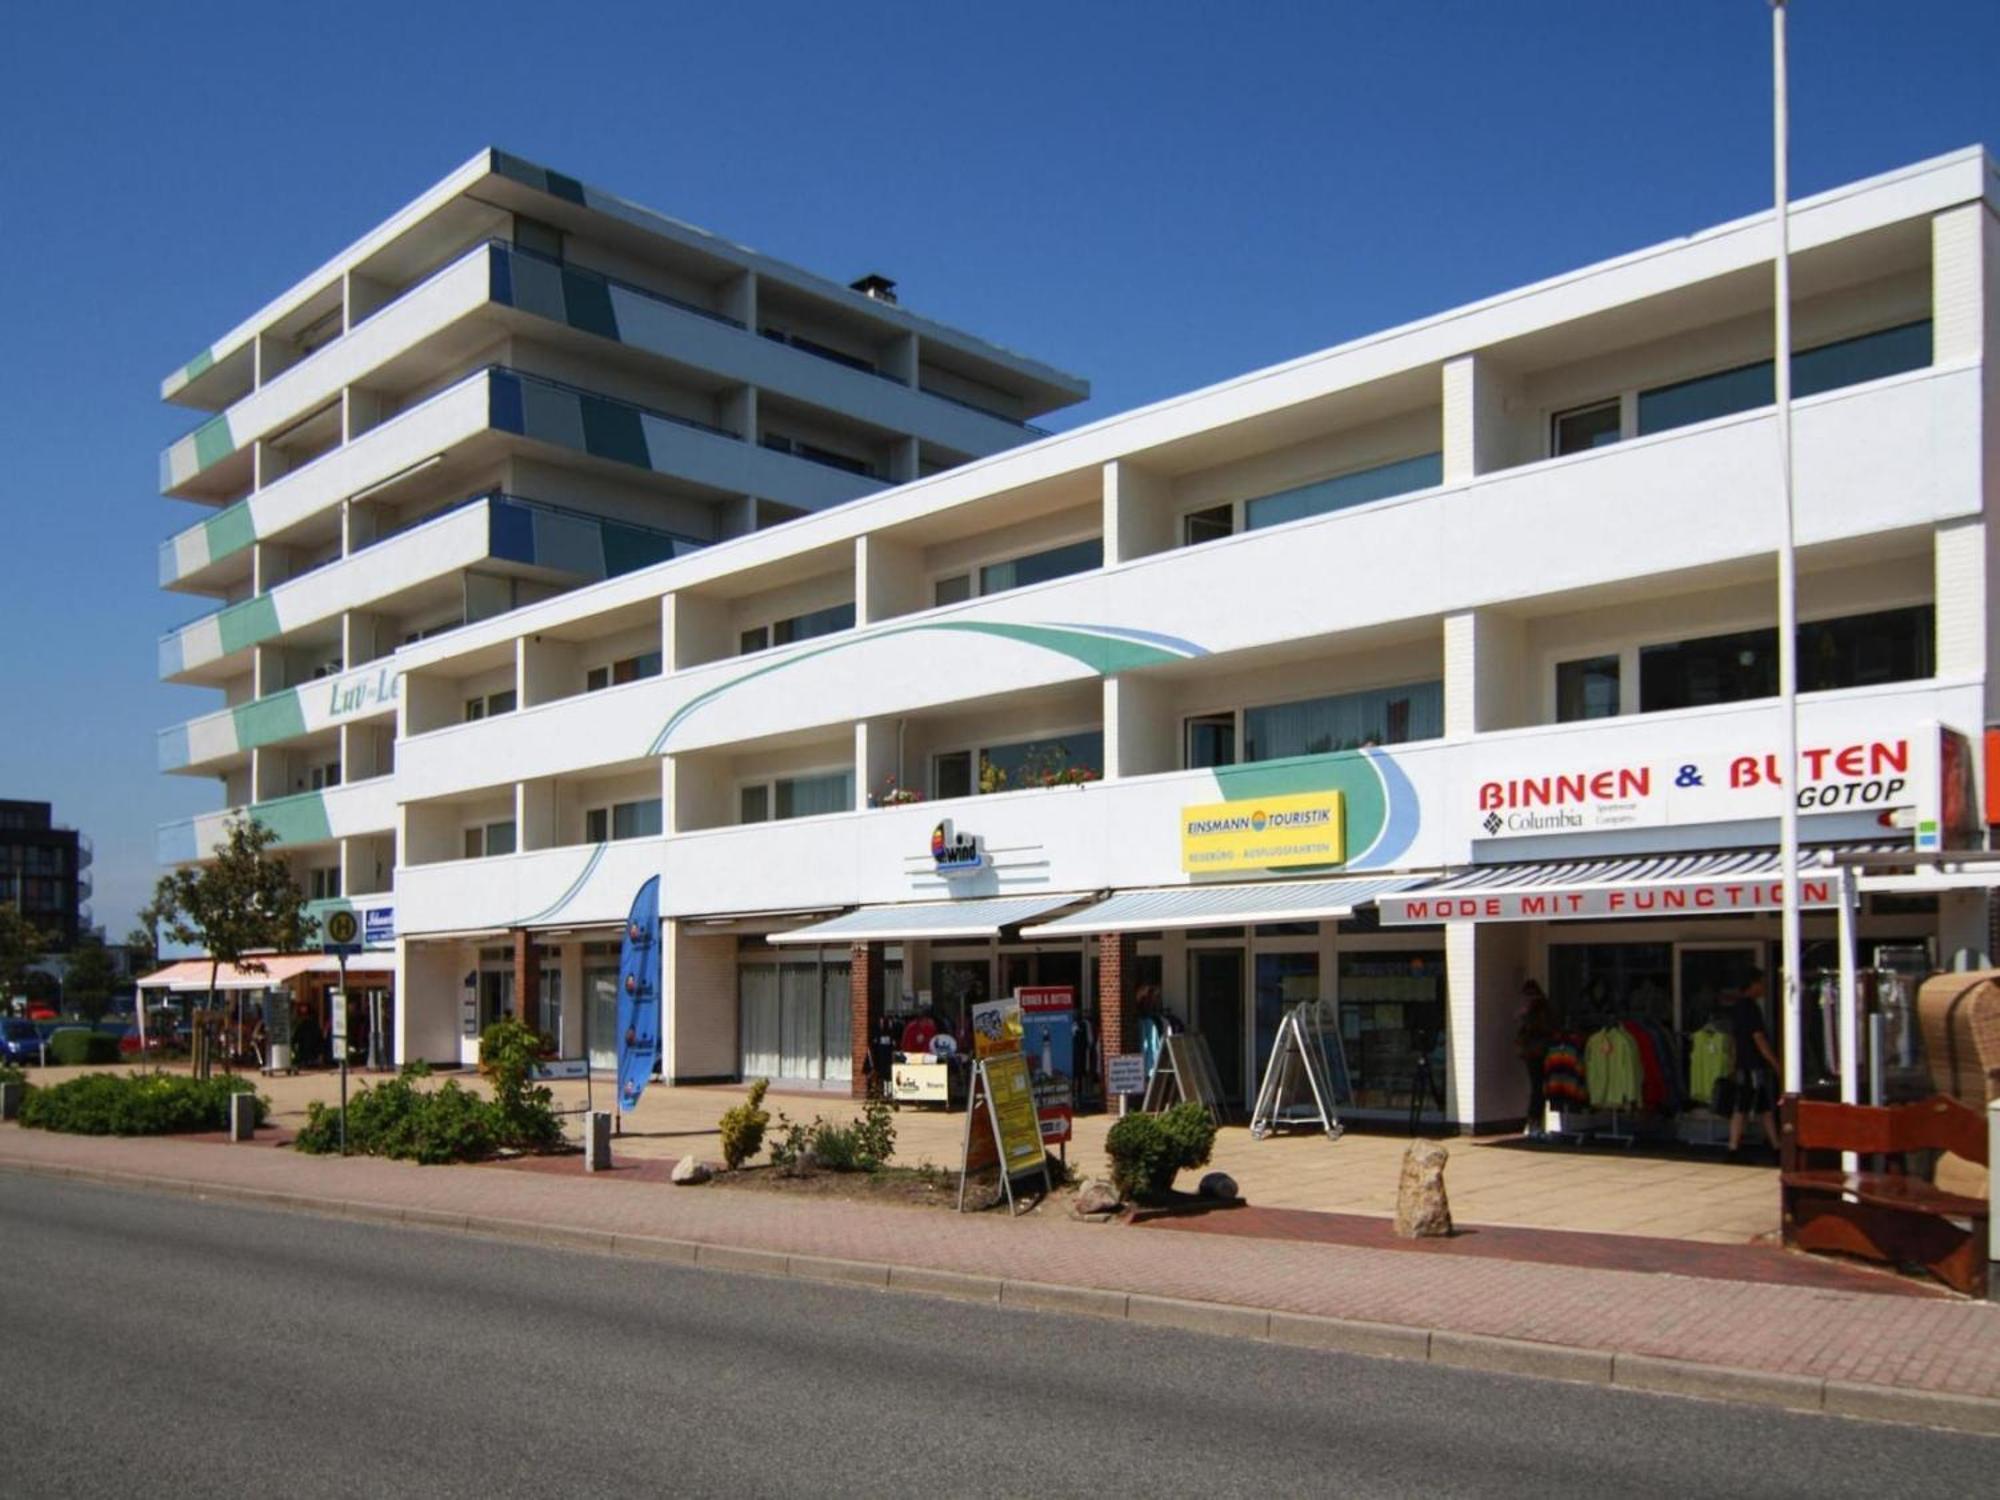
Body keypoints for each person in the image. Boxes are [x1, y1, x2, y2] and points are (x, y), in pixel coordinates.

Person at [1725, 973, 1782, 1157]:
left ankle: (1775, 1144)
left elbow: (1733, 1040)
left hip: (1743, 1064)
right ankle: (1733, 1147)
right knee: (1743, 1105)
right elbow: (1758, 1038)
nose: (1764, 987)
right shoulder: (1751, 1008)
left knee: (1762, 1105)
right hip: (1752, 1065)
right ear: (1752, 985)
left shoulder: (1736, 1008)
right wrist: (1775, 1063)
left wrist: (1732, 1063)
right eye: (1762, 983)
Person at [1514, 979, 1555, 1139]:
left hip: (1535, 1052)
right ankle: (1535, 1124)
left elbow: (1533, 1029)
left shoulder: (1536, 1010)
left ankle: (1534, 1123)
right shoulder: (1540, 1009)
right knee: (1539, 1089)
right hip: (1540, 1052)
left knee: (1537, 1089)